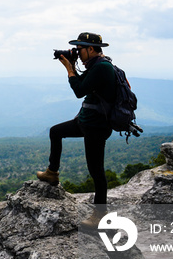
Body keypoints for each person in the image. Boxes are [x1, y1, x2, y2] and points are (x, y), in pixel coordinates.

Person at [36, 32, 115, 226]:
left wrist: (69, 69)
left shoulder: (102, 67)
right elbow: (84, 85)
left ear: (91, 48)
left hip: (96, 127)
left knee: (96, 171)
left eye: (80, 49)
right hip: (86, 122)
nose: (78, 53)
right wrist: (72, 67)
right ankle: (52, 173)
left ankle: (99, 215)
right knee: (55, 132)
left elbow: (79, 91)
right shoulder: (96, 65)